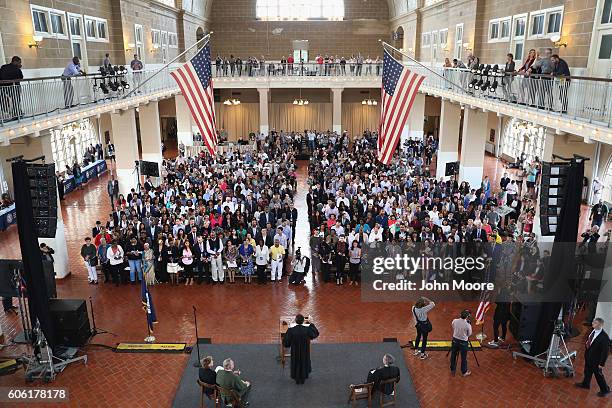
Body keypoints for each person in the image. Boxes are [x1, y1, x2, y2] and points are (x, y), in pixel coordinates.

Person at [575, 317, 610, 397]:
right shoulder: (593, 330)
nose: (592, 323)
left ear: (600, 325)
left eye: (595, 322)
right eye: (593, 321)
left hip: (596, 360)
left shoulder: (604, 338)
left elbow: (605, 352)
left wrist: (602, 364)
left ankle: (605, 390)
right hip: (589, 356)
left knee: (598, 375)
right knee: (587, 371)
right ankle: (586, 384)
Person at [283, 314, 320, 384]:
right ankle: (304, 376)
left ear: (296, 321)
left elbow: (286, 342)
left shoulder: (291, 330)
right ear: (303, 321)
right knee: (304, 360)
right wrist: (311, 323)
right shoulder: (307, 329)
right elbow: (315, 334)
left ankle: (296, 377)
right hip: (305, 350)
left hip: (295, 350)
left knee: (296, 361)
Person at [450, 309, 473, 377]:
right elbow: (469, 334)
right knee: (463, 357)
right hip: (463, 342)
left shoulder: (455, 320)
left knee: (453, 355)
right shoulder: (468, 325)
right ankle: (464, 371)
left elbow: (453, 326)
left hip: (455, 340)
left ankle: (452, 368)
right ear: (467, 317)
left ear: (460, 315)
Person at [0, 56, 23, 120]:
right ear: (15, 61)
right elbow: (21, 78)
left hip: (4, 88)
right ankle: (16, 114)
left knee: (4, 101)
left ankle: (6, 114)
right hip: (15, 87)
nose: (20, 64)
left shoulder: (3, 67)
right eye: (19, 62)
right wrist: (19, 69)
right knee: (16, 101)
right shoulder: (17, 68)